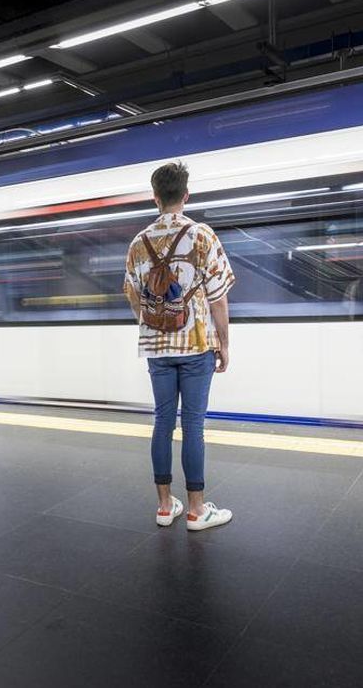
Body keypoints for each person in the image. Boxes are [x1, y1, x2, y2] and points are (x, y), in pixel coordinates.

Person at [123, 161, 235, 532]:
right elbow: (218, 298)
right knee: (193, 426)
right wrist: (224, 343)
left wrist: (153, 320)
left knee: (162, 422)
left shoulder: (139, 243)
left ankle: (163, 505)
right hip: (196, 344)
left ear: (155, 198)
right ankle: (196, 510)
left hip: (157, 347)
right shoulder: (202, 235)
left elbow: (131, 295)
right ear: (185, 195)